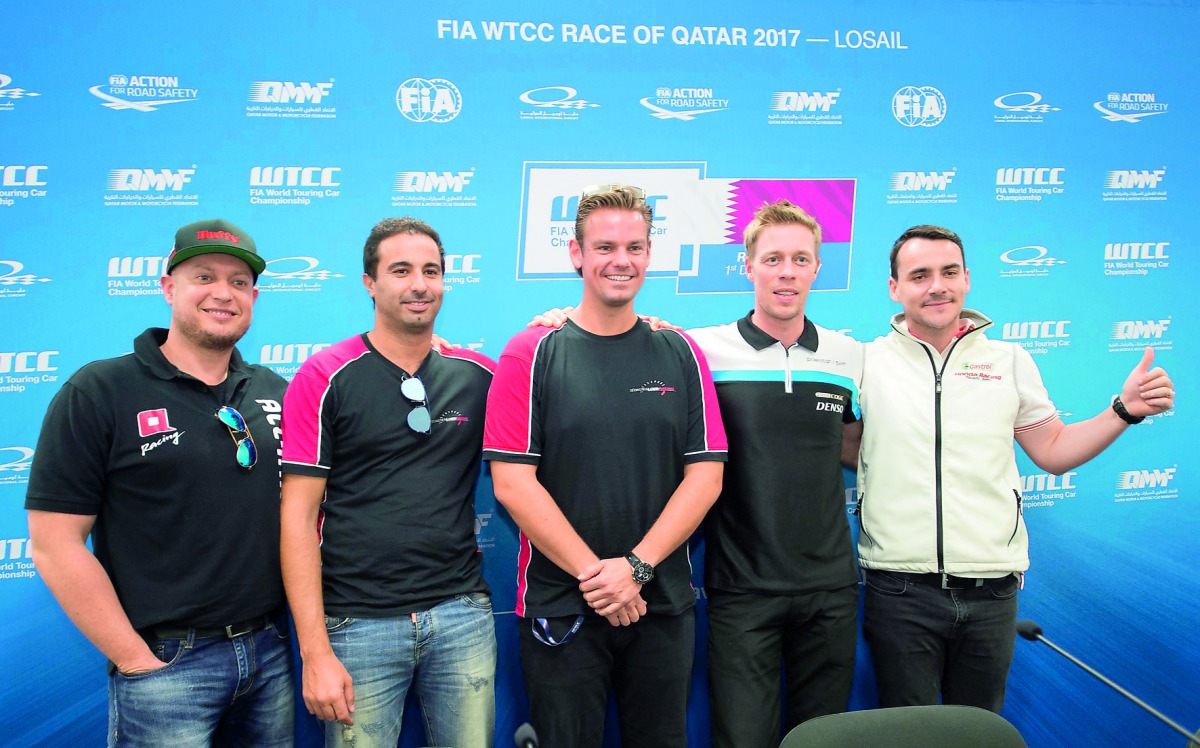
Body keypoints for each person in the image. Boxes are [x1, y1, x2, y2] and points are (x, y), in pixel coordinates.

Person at [851, 224, 1176, 712]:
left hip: (992, 594)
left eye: (949, 271)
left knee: (981, 733)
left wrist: (1123, 410)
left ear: (967, 280)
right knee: (908, 733)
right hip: (900, 590)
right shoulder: (864, 363)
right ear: (895, 288)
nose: (936, 285)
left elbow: (1052, 449)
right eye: (919, 275)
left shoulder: (1010, 360)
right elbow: (835, 444)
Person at [25, 218, 293, 746]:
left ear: (254, 297)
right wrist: (136, 661)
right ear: (168, 286)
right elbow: (54, 545)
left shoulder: (274, 389)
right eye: (204, 277)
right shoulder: (100, 390)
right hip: (167, 664)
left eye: (239, 282)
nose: (223, 293)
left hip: (270, 654)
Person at [483, 185, 727, 747]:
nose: (622, 260)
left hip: (660, 603)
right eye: (605, 247)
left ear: (649, 253)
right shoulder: (531, 352)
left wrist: (635, 569)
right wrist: (602, 579)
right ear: (576, 253)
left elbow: (705, 477)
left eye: (635, 247)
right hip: (561, 607)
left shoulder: (681, 351)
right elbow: (513, 484)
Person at [279, 217, 496, 748]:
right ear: (369, 283)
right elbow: (297, 518)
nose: (418, 284)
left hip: (461, 615)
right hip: (356, 626)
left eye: (431, 271)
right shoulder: (324, 377)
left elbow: (554, 379)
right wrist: (314, 652)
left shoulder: (478, 374)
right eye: (400, 270)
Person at [687, 200, 863, 747]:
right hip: (742, 589)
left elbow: (858, 448)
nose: (786, 271)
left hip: (831, 589)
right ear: (749, 265)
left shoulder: (851, 356)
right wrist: (560, 318)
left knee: (823, 742)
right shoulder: (699, 349)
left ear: (817, 268)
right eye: (773, 259)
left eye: (800, 259)